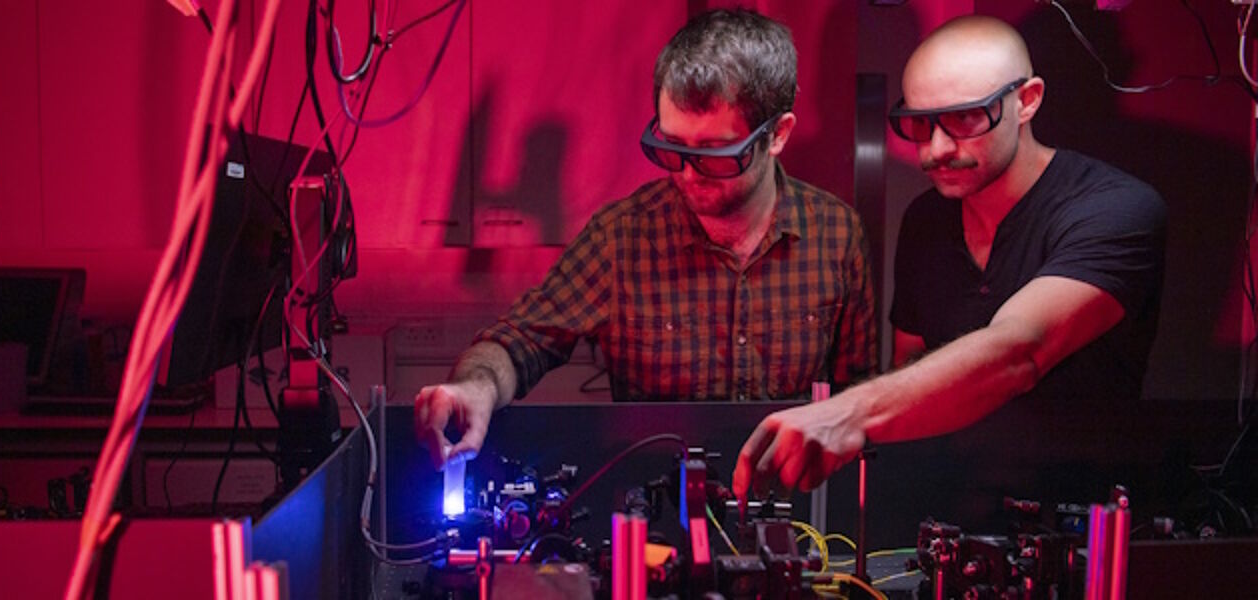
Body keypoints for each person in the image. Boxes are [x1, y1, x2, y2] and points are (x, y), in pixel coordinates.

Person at [733, 15, 1166, 517]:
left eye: (964, 119)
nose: (935, 150)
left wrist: (846, 412)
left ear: (1026, 101)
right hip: (947, 521)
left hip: (1081, 524)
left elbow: (1020, 349)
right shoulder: (927, 219)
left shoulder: (1116, 208)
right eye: (919, 124)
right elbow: (910, 369)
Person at [414, 8, 877, 469]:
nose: (688, 174)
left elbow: (861, 401)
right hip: (655, 512)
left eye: (715, 154)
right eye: (672, 148)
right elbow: (521, 341)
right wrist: (476, 387)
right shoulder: (623, 237)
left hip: (792, 513)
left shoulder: (837, 236)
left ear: (777, 134)